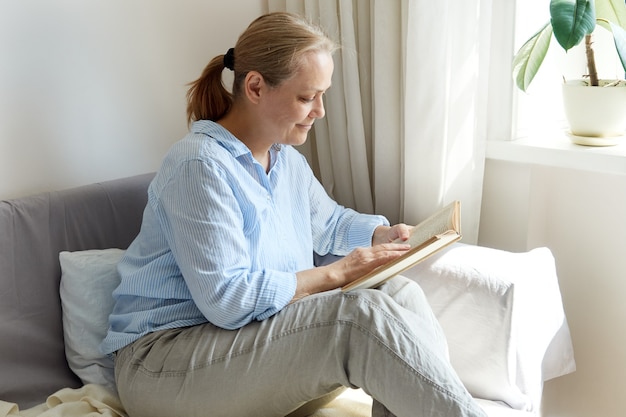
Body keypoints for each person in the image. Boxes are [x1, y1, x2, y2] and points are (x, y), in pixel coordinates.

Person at [100, 12, 486, 417]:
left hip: (245, 348)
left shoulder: (287, 163)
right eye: (306, 97)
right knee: (354, 317)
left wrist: (381, 237)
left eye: (323, 95)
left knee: (398, 293)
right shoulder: (199, 165)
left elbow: (330, 223)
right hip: (166, 365)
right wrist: (337, 273)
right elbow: (228, 300)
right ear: (255, 87)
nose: (319, 111)